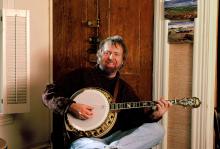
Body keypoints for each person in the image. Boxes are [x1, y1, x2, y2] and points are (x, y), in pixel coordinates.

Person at [42, 35, 172, 149]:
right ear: (99, 55)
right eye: (107, 52)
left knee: (157, 130)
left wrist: (154, 115)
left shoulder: (124, 89)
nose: (110, 57)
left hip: (116, 138)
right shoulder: (81, 75)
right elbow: (48, 96)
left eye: (116, 54)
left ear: (122, 61)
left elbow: (135, 120)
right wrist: (70, 106)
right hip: (85, 140)